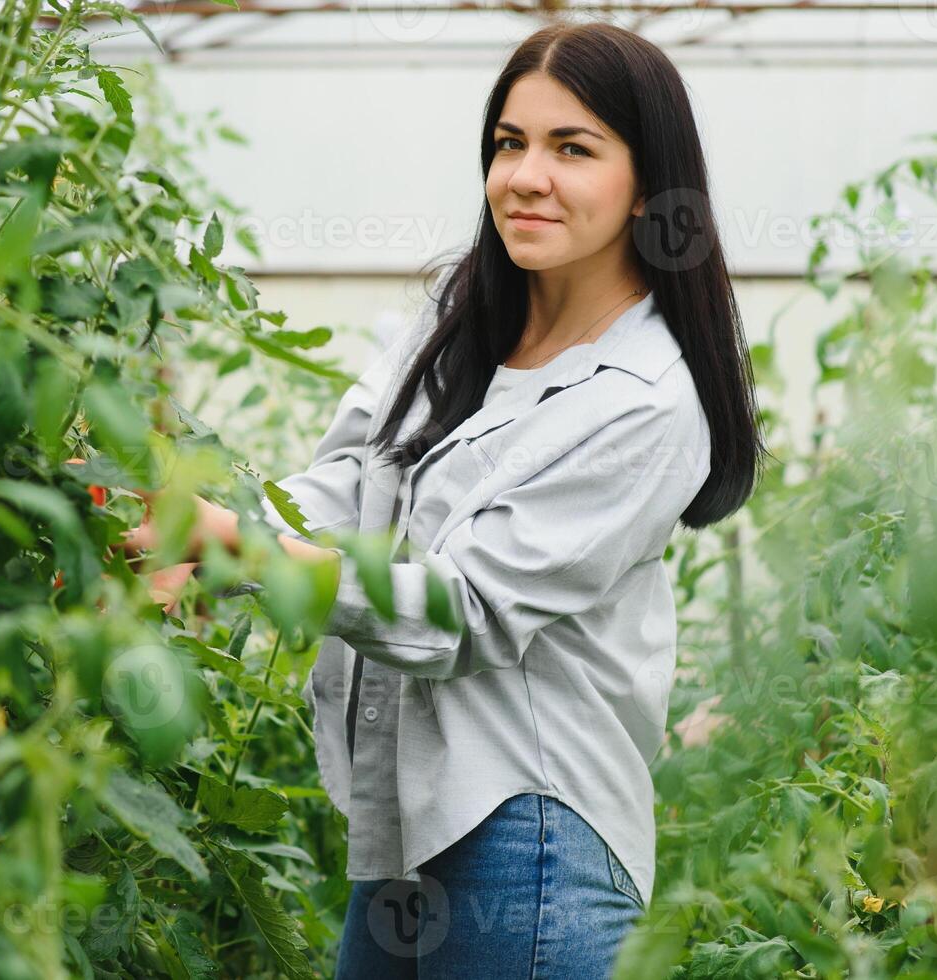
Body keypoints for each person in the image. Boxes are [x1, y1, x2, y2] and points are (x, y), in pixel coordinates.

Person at [124, 22, 765, 979]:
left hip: (529, 837)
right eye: (509, 143)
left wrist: (243, 552)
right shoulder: (466, 312)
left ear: (649, 183)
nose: (525, 176)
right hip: (403, 824)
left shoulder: (649, 400)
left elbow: (463, 614)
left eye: (573, 148)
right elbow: (348, 483)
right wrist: (207, 529)